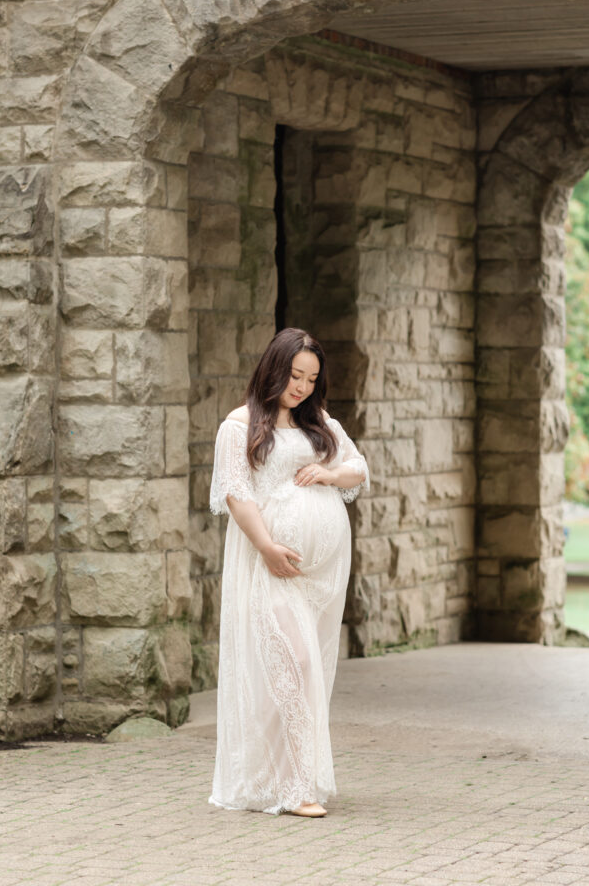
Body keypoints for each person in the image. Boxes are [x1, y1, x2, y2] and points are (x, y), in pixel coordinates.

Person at [207, 327, 370, 817]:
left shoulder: (317, 420)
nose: (301, 386)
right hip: (269, 565)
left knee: (309, 666)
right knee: (292, 661)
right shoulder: (239, 425)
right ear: (274, 368)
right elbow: (238, 493)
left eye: (311, 378)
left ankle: (291, 777)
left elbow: (357, 466)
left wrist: (330, 474)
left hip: (320, 576)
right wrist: (268, 547)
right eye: (295, 375)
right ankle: (295, 787)